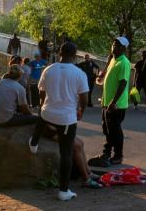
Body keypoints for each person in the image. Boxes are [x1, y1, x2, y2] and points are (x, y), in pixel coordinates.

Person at [29, 42, 89, 201]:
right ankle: (63, 191)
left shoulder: (48, 69)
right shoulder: (79, 73)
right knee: (66, 153)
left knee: (42, 118)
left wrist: (43, 106)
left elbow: (41, 91)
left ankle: (33, 143)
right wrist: (81, 110)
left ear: (59, 53)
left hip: (47, 114)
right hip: (66, 119)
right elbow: (84, 98)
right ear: (75, 55)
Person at [90, 37, 131, 168]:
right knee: (107, 129)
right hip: (107, 102)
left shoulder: (124, 62)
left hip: (116, 104)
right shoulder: (113, 59)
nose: (114, 48)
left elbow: (123, 83)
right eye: (113, 45)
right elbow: (106, 76)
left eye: (118, 46)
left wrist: (114, 102)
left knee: (115, 130)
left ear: (124, 49)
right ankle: (106, 153)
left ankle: (117, 156)